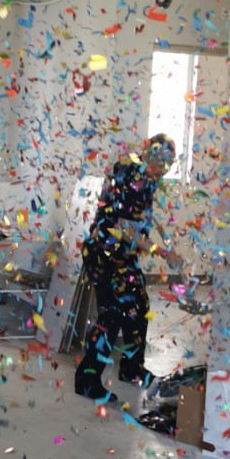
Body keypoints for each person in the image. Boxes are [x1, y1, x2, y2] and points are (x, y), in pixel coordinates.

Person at [74, 133, 177, 403]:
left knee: (139, 307)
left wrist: (166, 240)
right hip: (103, 252)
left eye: (169, 164)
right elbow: (125, 228)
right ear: (150, 155)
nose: (165, 169)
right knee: (112, 315)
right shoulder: (131, 176)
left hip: (123, 254)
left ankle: (132, 369)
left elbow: (144, 217)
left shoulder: (149, 179)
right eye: (162, 161)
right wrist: (161, 252)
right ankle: (86, 381)